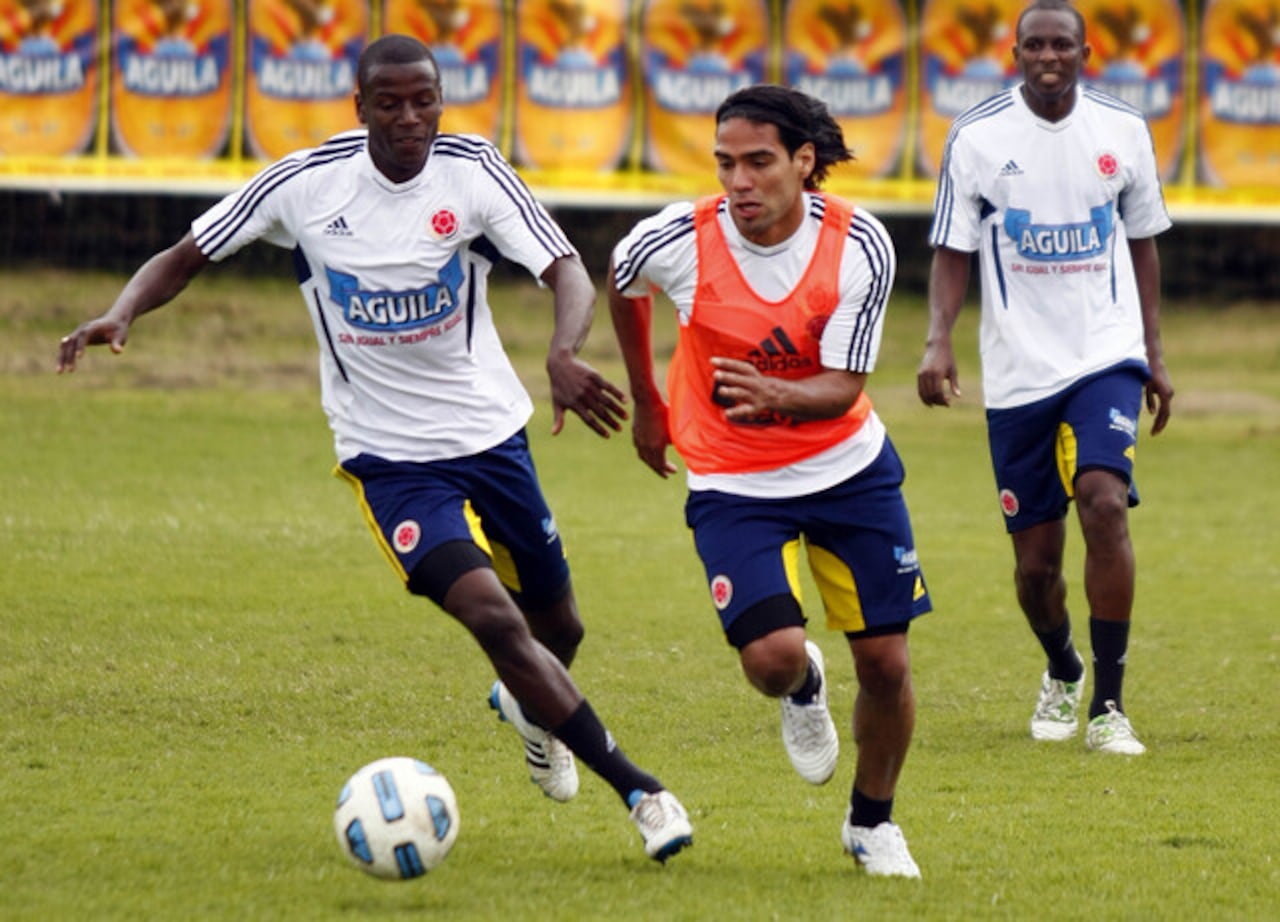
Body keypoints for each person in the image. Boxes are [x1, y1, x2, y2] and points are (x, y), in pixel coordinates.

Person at [56, 33, 693, 862]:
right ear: (358, 107)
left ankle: (530, 711)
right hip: (388, 460)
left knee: (558, 630)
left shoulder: (472, 172)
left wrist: (563, 351)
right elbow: (187, 255)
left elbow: (567, 270)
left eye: (423, 100)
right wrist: (123, 310)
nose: (409, 118)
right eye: (389, 103)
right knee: (493, 617)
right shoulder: (306, 184)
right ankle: (642, 791)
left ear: (440, 101)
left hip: (489, 436)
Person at [608, 84, 931, 879]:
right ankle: (802, 683)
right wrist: (650, 403)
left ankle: (872, 824)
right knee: (772, 659)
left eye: (758, 162)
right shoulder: (678, 240)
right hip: (732, 479)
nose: (739, 181)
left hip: (847, 471)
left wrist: (776, 393)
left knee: (887, 666)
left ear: (803, 161)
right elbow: (620, 279)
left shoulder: (861, 245)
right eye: (725, 163)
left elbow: (844, 386)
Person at [918, 0, 1173, 756]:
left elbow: (1145, 244)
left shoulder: (1122, 131)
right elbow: (951, 250)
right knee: (1035, 567)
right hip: (1019, 369)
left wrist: (1154, 353)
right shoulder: (977, 136)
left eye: (1063, 44)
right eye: (1035, 45)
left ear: (1086, 53)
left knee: (1103, 501)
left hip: (1106, 352)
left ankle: (1108, 706)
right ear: (1016, 52)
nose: (1049, 56)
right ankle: (1063, 667)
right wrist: (939, 342)